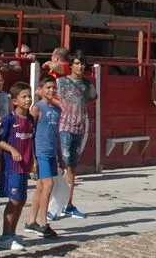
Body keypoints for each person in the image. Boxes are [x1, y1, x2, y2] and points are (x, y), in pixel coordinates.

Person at [56, 51, 96, 219]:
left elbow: (93, 98)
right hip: (63, 126)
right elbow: (46, 94)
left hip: (79, 128)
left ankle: (68, 204)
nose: (80, 67)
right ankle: (53, 205)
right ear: (71, 65)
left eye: (82, 64)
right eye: (77, 63)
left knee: (72, 166)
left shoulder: (87, 84)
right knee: (61, 166)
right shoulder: (61, 82)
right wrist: (61, 105)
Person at [0, 82, 34, 250]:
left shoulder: (31, 119)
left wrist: (33, 161)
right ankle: (5, 236)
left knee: (22, 200)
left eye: (29, 96)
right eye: (24, 97)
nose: (28, 99)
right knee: (14, 201)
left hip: (24, 166)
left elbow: (31, 142)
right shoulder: (9, 119)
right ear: (15, 100)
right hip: (12, 167)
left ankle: (12, 233)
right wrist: (12, 150)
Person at [24, 76, 61, 238]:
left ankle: (31, 222)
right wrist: (32, 158)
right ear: (41, 89)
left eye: (53, 87)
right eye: (48, 87)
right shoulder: (37, 108)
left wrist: (60, 156)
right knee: (48, 185)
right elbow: (30, 134)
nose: (51, 90)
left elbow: (56, 134)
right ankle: (43, 223)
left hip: (52, 153)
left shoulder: (56, 110)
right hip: (41, 153)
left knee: (41, 187)